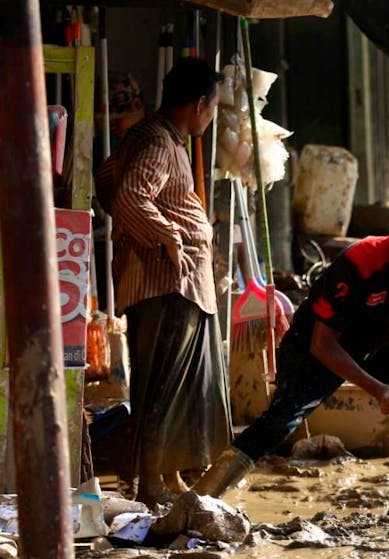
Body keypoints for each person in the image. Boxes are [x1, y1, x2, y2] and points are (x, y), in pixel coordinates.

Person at [194, 194, 389, 514]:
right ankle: (199, 499)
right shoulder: (360, 261)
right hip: (313, 348)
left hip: (378, 346)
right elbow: (322, 344)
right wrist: (378, 389)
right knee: (277, 425)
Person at [109, 57, 231, 506]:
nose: (213, 115)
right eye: (214, 105)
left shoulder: (147, 135)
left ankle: (167, 474)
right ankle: (151, 483)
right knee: (161, 385)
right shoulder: (160, 141)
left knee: (176, 386)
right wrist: (169, 236)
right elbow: (128, 196)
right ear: (200, 103)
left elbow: (107, 179)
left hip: (169, 283)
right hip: (168, 284)